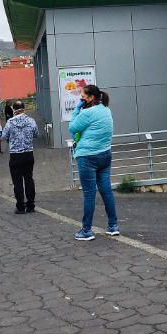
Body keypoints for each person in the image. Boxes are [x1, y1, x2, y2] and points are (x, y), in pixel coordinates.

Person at [69, 85, 119, 241]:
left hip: (88, 157)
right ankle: (113, 226)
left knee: (89, 194)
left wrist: (77, 109)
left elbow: (72, 127)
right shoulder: (106, 109)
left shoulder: (87, 113)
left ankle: (86, 230)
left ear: (90, 98)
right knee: (106, 191)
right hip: (105, 154)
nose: (81, 99)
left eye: (82, 97)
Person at [1, 101, 39, 214]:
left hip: (15, 155)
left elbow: (3, 137)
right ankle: (31, 205)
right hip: (28, 153)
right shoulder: (31, 121)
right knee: (29, 179)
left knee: (17, 182)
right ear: (24, 108)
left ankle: (20, 207)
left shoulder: (10, 122)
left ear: (14, 110)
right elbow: (36, 134)